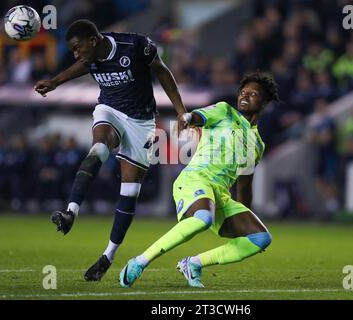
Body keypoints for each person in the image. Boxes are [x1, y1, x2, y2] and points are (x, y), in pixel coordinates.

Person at [34, 19, 187, 281]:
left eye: (77, 47)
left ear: (93, 41)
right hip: (110, 110)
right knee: (99, 147)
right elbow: (83, 64)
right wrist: (56, 82)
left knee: (130, 190)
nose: (75, 53)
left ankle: (108, 255)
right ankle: (71, 212)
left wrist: (181, 111)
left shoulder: (137, 45)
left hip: (141, 121)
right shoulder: (90, 56)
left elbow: (162, 71)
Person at [119, 71, 277, 288]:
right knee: (203, 218)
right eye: (243, 92)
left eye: (253, 93)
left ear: (265, 101)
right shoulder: (225, 111)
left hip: (219, 194)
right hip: (195, 179)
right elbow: (198, 117)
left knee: (261, 238)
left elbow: (244, 184)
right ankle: (139, 262)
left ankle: (193, 264)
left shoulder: (257, 144)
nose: (245, 96)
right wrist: (187, 117)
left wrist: (243, 218)